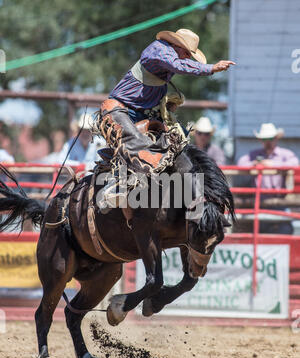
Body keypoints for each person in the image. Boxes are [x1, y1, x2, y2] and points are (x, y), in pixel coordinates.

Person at [97, 28, 235, 210]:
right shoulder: (158, 50)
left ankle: (199, 204)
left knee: (179, 144)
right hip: (120, 110)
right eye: (186, 53)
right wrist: (211, 68)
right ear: (175, 45)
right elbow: (179, 65)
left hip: (145, 114)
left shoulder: (169, 58)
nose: (187, 58)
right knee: (132, 140)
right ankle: (114, 186)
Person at [237, 123, 299, 234]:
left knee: (283, 229)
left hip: (280, 202)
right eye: (265, 139)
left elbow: (295, 164)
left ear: (276, 139)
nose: (268, 142)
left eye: (270, 138)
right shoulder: (254, 155)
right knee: (259, 229)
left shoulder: (285, 154)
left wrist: (272, 164)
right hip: (260, 202)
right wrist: (255, 164)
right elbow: (241, 163)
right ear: (261, 140)